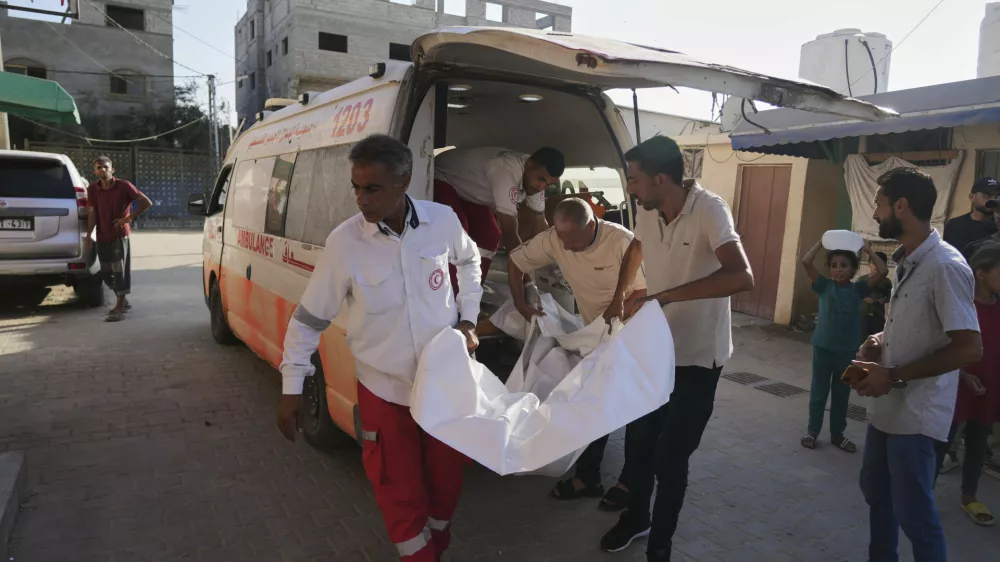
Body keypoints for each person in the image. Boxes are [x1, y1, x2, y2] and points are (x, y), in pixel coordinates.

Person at [277, 135, 483, 562]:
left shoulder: (442, 221)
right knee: (398, 490)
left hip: (443, 384)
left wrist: (467, 318)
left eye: (372, 188)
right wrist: (292, 385)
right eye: (356, 187)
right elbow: (309, 319)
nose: (361, 199)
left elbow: (469, 260)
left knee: (446, 483)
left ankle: (435, 546)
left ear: (404, 180)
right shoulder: (345, 243)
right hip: (383, 392)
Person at [599, 136, 754, 561]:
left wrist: (664, 297)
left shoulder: (709, 209)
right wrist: (620, 294)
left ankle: (661, 544)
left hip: (698, 360)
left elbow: (742, 276)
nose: (629, 188)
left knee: (670, 457)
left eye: (634, 179)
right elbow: (637, 245)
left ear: (661, 178)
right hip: (654, 352)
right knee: (639, 446)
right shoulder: (648, 210)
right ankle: (636, 519)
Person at [852, 167, 982, 562]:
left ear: (901, 206)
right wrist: (879, 341)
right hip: (887, 411)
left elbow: (969, 348)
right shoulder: (908, 259)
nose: (875, 213)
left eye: (878, 203)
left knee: (915, 514)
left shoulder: (945, 266)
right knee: (877, 493)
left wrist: (892, 375)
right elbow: (917, 327)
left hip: (917, 417)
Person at [505, 197, 647, 511]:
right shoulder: (556, 238)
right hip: (594, 332)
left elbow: (643, 291)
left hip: (630, 331)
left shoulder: (620, 242)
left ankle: (629, 484)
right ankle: (588, 478)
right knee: (592, 402)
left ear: (592, 225)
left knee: (635, 412)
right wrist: (519, 303)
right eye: (562, 239)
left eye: (574, 241)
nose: (566, 248)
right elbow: (515, 262)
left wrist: (618, 323)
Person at [930, 241, 1000, 527]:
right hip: (958, 387)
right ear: (982, 274)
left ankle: (969, 495)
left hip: (989, 387)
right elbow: (944, 347)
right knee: (941, 443)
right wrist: (963, 375)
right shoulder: (962, 306)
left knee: (977, 442)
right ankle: (923, 494)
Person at [800, 238, 887, 453]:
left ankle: (838, 435)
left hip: (849, 352)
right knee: (818, 393)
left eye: (844, 265)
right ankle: (812, 432)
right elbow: (806, 261)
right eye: (834, 265)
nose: (838, 269)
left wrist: (868, 250)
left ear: (853, 269)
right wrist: (820, 243)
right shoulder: (823, 285)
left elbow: (883, 271)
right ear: (829, 269)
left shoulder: (858, 289)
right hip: (822, 348)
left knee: (842, 395)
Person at [433, 146, 565, 284]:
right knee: (458, 233)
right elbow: (510, 235)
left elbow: (540, 225)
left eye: (548, 184)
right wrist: (528, 281)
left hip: (468, 193)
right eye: (541, 179)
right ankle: (449, 292)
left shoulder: (533, 179)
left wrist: (559, 261)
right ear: (529, 164)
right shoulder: (504, 169)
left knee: (490, 235)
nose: (541, 187)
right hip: (443, 177)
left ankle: (473, 290)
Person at [85, 155, 152, 322]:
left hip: (119, 237)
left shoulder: (124, 186)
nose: (102, 170)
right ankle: (123, 300)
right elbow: (92, 212)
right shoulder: (93, 189)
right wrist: (88, 235)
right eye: (99, 167)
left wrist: (129, 218)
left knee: (119, 271)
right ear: (95, 171)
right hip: (102, 236)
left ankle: (120, 307)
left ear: (112, 169)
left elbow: (146, 202)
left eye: (105, 167)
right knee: (106, 273)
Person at [942, 176, 1000, 259]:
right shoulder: (955, 226)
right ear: (971, 197)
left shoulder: (997, 226)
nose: (993, 199)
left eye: (997, 196)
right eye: (988, 195)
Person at [860, 251, 893, 338]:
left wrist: (877, 300)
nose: (876, 266)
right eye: (873, 263)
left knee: (876, 344)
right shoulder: (862, 280)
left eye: (880, 263)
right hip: (862, 317)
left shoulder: (886, 282)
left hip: (878, 317)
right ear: (869, 264)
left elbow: (889, 298)